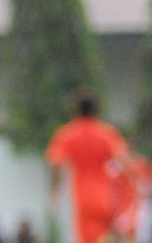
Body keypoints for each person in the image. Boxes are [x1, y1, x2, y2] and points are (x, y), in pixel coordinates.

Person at [45, 89, 130, 243]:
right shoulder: (107, 133)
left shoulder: (67, 133)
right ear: (97, 110)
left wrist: (54, 194)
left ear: (75, 109)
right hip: (107, 197)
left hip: (84, 200)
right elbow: (125, 162)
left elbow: (56, 164)